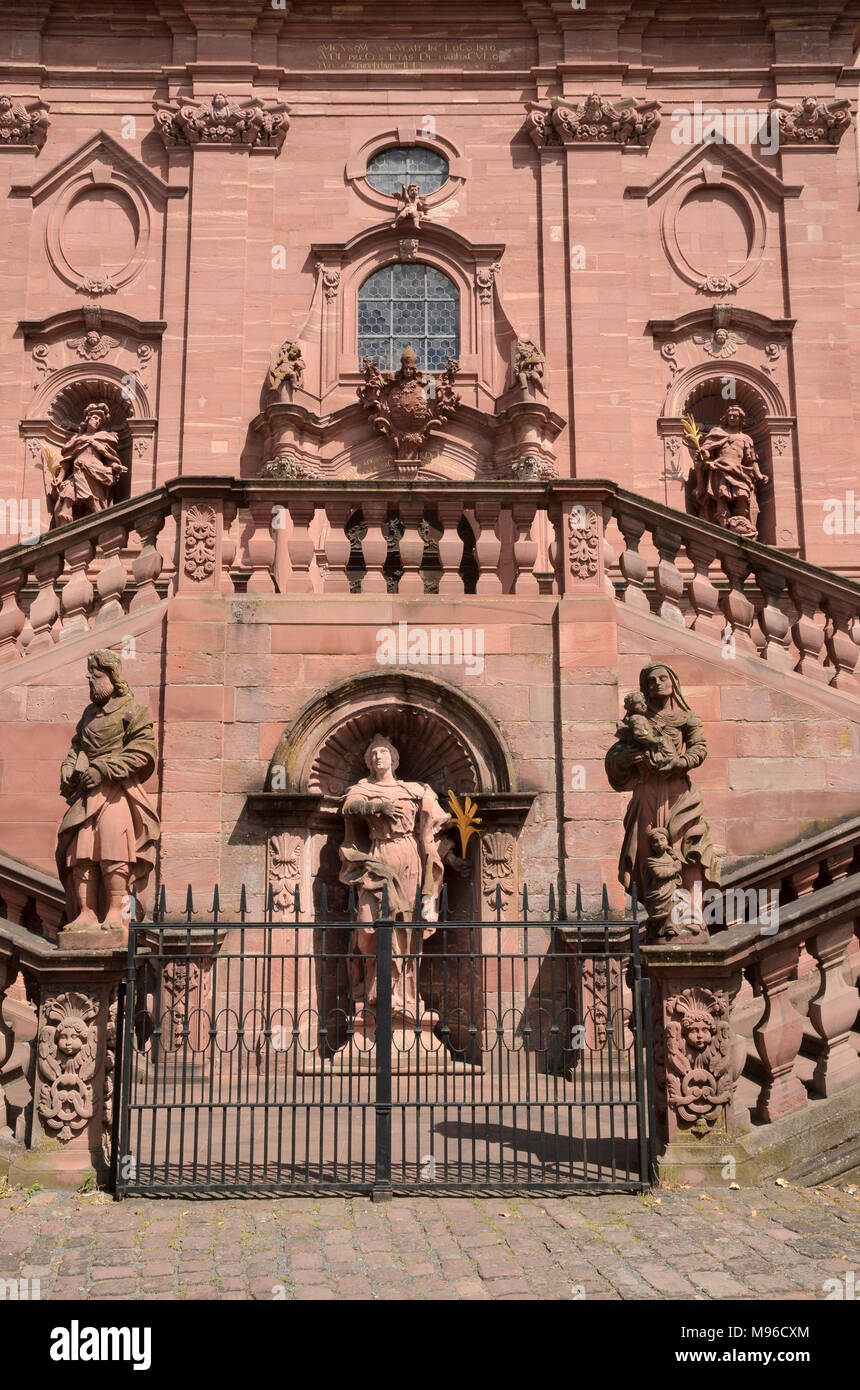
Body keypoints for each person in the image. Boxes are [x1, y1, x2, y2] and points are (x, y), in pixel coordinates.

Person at [338, 735, 450, 1032]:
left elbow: (434, 823)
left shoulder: (413, 790)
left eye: (384, 752)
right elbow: (348, 807)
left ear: (395, 759)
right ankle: (374, 987)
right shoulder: (362, 789)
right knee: (366, 929)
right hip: (377, 855)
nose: (378, 757)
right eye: (373, 752)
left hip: (408, 856)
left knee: (406, 927)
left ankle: (404, 996)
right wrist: (381, 808)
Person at [605, 663, 720, 939]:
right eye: (651, 680)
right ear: (644, 688)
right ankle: (663, 919)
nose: (657, 683)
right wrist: (625, 759)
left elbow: (699, 748)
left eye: (663, 677)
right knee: (648, 854)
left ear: (673, 682)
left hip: (679, 792)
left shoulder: (687, 718)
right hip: (646, 793)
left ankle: (691, 916)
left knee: (690, 849)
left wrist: (680, 762)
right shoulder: (635, 720)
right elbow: (614, 758)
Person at [56, 651, 160, 937]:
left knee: (115, 850)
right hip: (86, 793)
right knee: (82, 853)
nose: (90, 679)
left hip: (117, 791)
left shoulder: (133, 711)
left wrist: (104, 768)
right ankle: (86, 912)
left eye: (96, 675)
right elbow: (76, 747)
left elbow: (144, 752)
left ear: (113, 678)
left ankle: (117, 911)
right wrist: (68, 768)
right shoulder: (88, 715)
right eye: (89, 674)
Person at [50, 402, 126, 528]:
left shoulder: (104, 437)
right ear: (88, 419)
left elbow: (108, 457)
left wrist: (115, 466)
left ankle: (100, 530)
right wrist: (60, 477)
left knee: (95, 506)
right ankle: (64, 535)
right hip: (77, 472)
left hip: (96, 474)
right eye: (95, 418)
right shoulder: (76, 439)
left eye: (100, 420)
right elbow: (67, 460)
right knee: (66, 499)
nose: (97, 421)